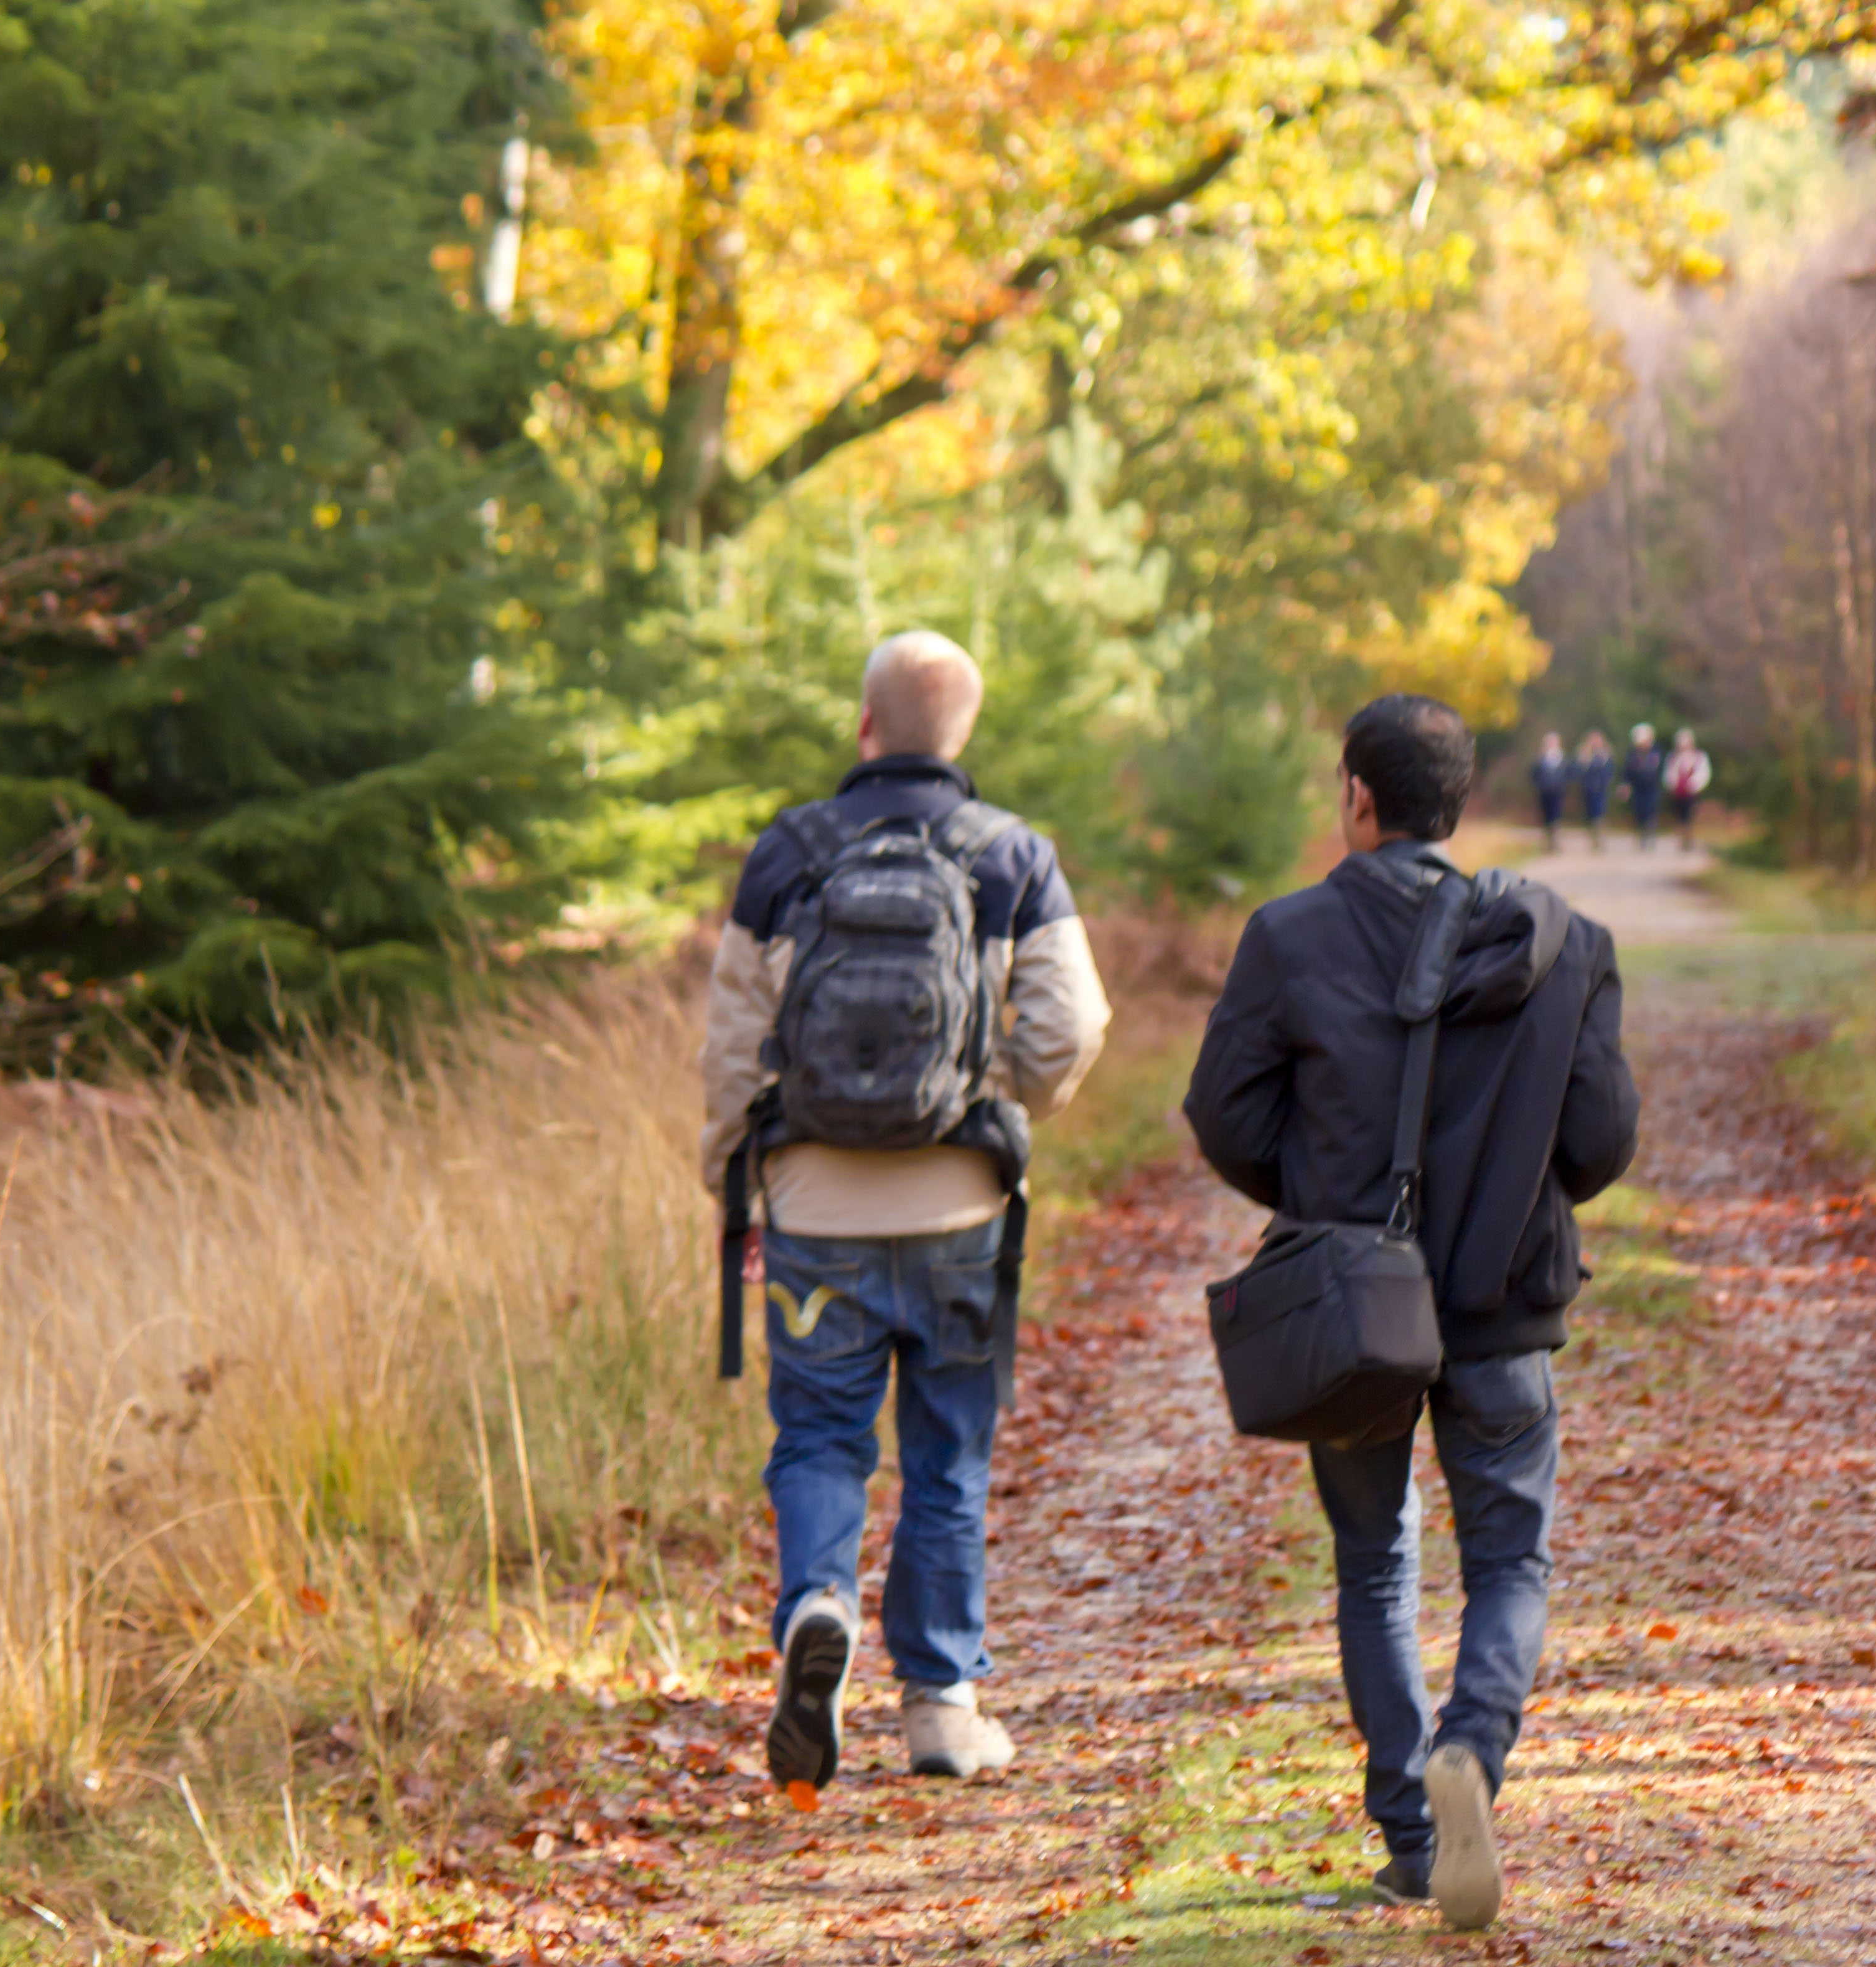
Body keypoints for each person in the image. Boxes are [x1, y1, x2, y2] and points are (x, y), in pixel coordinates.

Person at [1184, 695, 1641, 1932]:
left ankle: (1405, 1829)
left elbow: (1223, 1115)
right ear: (1463, 803)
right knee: (1507, 1554)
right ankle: (1471, 1751)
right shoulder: (1564, 942)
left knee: (1374, 1553)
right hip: (1504, 1302)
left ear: (1355, 799)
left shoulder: (1287, 935)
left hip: (1352, 1310)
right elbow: (1598, 1144)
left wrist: (1331, 1200)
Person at [699, 629, 1111, 1792]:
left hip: (814, 1204)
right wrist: (1000, 1102)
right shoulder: (1012, 854)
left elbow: (731, 1042)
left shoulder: (788, 853)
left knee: (820, 1436)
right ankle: (940, 1706)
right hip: (959, 1216)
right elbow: (1069, 1027)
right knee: (946, 1455)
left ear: (863, 726)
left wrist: (735, 1186)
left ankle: (815, 1607)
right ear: (963, 735)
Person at [1663, 728, 1712, 849]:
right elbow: (1669, 774)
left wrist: (1694, 786)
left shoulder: (1699, 756)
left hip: (1691, 793)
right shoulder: (1673, 757)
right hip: (1678, 793)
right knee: (1679, 816)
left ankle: (1689, 839)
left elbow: (1703, 773)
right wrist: (1672, 786)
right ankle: (1681, 839)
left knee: (1689, 816)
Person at [1622, 723, 1664, 847]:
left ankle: (1650, 836)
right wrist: (1626, 786)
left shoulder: (1657, 752)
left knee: (1651, 813)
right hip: (1638, 788)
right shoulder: (1633, 754)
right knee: (1639, 813)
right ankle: (1642, 838)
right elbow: (1628, 772)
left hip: (1653, 788)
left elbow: (1661, 771)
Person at [1528, 732, 1570, 852]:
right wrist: (1539, 785)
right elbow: (1534, 774)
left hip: (1558, 792)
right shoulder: (1541, 759)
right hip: (1544, 792)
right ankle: (1547, 843)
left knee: (1557, 816)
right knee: (1546, 817)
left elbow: (1568, 774)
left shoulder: (1563, 758)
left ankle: (1555, 842)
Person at [1573, 731, 1614, 850]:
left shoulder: (1605, 754)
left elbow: (1609, 771)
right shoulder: (1585, 754)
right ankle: (1593, 837)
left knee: (1600, 814)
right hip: (1588, 790)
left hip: (1601, 790)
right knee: (1591, 815)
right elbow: (1579, 771)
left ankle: (1600, 838)